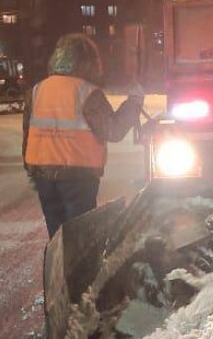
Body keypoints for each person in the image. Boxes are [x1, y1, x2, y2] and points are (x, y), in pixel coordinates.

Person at [23, 33, 144, 238]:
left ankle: (58, 270)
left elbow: (27, 134)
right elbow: (113, 130)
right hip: (78, 177)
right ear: (87, 63)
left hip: (43, 176)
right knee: (81, 239)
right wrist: (134, 102)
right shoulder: (87, 93)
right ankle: (79, 270)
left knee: (57, 239)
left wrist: (31, 169)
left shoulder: (36, 90)